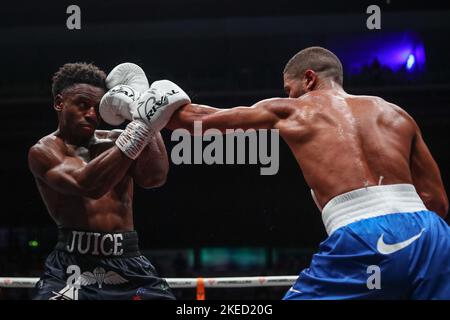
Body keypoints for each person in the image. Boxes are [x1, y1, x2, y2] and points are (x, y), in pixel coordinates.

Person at [163, 47, 449, 299]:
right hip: (434, 236)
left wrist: (146, 104)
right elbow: (437, 202)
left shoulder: (293, 110)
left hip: (363, 234)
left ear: (309, 78)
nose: (289, 95)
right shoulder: (396, 114)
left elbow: (198, 122)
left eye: (290, 89)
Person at [28, 62, 189, 300]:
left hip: (129, 262)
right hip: (71, 266)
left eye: (97, 107)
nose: (91, 115)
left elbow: (154, 177)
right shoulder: (44, 151)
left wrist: (140, 107)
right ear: (59, 103)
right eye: (82, 105)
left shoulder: (116, 140)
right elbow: (88, 185)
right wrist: (140, 127)